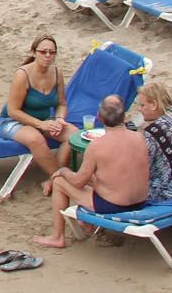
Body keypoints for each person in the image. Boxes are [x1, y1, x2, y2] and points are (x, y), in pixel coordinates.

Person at [35, 97, 151, 249]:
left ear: (99, 117)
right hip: (140, 200)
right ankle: (87, 223)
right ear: (124, 117)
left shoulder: (96, 145)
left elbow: (78, 182)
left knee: (59, 182)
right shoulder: (139, 137)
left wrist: (63, 170)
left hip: (115, 205)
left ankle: (57, 237)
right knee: (98, 178)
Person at [5, 34, 74, 191]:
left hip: (44, 120)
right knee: (35, 139)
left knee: (73, 136)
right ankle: (61, 179)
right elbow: (12, 111)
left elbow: (62, 104)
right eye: (43, 52)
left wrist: (60, 119)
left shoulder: (57, 73)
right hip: (15, 121)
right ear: (34, 52)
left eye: (52, 52)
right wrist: (42, 124)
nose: (48, 56)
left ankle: (53, 179)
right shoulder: (22, 75)